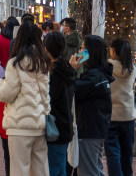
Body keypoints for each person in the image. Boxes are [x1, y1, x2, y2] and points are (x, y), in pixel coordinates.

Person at [0, 22, 51, 176]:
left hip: (20, 125)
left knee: (19, 169)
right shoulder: (43, 62)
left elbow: (7, 94)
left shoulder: (15, 63)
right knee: (41, 169)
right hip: (40, 122)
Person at [74, 35, 114, 176]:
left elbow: (73, 92)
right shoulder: (98, 75)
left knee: (88, 171)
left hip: (89, 129)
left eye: (83, 48)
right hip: (96, 129)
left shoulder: (94, 78)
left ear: (91, 52)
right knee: (94, 169)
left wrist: (72, 70)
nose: (80, 51)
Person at [44, 32, 78, 176]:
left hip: (54, 129)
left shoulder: (53, 73)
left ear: (46, 48)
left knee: (54, 169)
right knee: (60, 167)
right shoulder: (67, 70)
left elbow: (49, 100)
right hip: (65, 125)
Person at [105, 39, 136, 176]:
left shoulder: (106, 66)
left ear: (113, 50)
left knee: (113, 153)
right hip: (128, 116)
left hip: (111, 116)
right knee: (127, 153)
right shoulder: (132, 68)